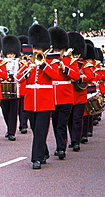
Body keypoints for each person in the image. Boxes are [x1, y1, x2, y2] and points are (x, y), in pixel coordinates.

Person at [16, 24, 58, 169]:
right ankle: (44, 151)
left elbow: (55, 75)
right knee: (35, 129)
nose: (36, 51)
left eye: (38, 49)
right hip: (30, 100)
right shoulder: (28, 61)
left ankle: (36, 158)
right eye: (35, 48)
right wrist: (28, 69)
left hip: (45, 100)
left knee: (40, 129)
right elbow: (18, 78)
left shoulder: (51, 62)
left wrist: (43, 64)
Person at [48, 26, 80, 160]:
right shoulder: (48, 60)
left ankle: (61, 148)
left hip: (66, 97)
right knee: (55, 123)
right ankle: (59, 144)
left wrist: (64, 68)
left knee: (61, 123)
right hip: (52, 97)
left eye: (59, 49)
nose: (57, 52)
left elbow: (76, 76)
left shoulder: (70, 61)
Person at [67, 32, 92, 152]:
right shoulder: (67, 63)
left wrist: (79, 77)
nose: (76, 56)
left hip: (80, 95)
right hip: (69, 95)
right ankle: (72, 139)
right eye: (74, 53)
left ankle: (76, 141)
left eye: (77, 54)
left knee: (77, 119)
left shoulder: (84, 64)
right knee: (70, 119)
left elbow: (90, 76)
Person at [0, 35, 21, 142]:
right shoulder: (2, 62)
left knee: (13, 111)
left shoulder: (19, 62)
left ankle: (12, 131)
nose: (10, 56)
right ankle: (9, 127)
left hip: (15, 88)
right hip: (3, 88)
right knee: (5, 110)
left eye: (12, 54)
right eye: (8, 54)